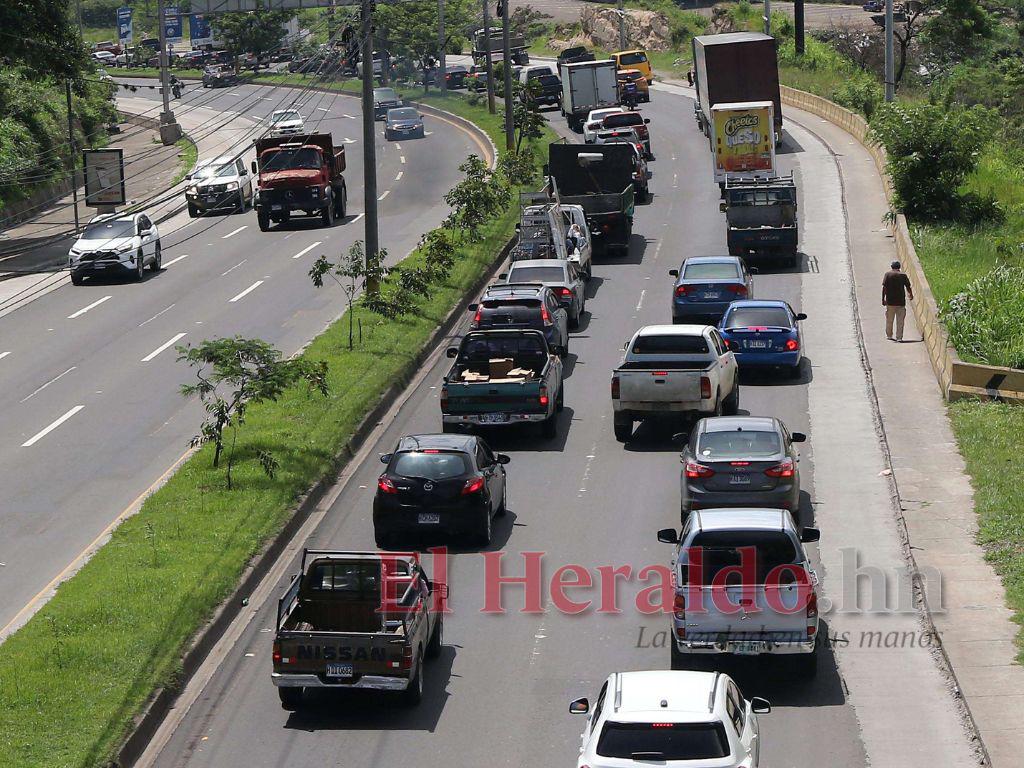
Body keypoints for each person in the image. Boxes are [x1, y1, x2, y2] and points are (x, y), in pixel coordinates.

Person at [882, 260, 914, 341]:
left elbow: (884, 288)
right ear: (899, 267)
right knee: (900, 321)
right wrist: (910, 294)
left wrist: (883, 299)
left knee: (889, 320)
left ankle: (889, 335)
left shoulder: (887, 275)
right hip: (901, 302)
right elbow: (908, 287)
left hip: (890, 302)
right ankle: (899, 337)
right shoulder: (903, 275)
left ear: (892, 267)